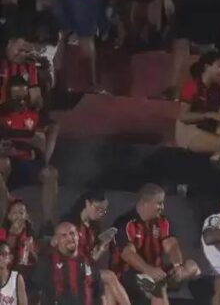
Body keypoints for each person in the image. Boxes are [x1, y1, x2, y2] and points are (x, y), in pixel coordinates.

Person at [110, 184, 200, 305]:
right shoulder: (125, 223)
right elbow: (128, 253)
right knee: (157, 284)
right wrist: (149, 270)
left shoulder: (162, 221)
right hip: (129, 275)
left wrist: (177, 265)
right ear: (144, 203)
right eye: (159, 203)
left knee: (192, 267)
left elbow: (172, 245)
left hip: (156, 272)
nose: (162, 207)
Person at [175, 51, 220, 193]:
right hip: (189, 130)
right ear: (207, 66)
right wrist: (207, 115)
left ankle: (218, 155)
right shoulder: (191, 86)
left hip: (208, 129)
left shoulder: (216, 89)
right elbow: (183, 117)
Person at [0, 76, 59, 225]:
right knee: (3, 163)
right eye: (16, 97)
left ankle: (48, 224)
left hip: (27, 163)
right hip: (8, 166)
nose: (21, 101)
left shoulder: (34, 115)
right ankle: (3, 224)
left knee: (50, 173)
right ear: (8, 96)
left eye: (24, 97)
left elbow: (41, 141)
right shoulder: (1, 115)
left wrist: (28, 146)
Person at [61, 190, 130, 305]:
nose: (101, 213)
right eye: (98, 209)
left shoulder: (94, 227)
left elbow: (90, 259)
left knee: (108, 288)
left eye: (104, 211)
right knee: (110, 276)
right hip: (70, 269)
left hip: (86, 268)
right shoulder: (70, 224)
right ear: (87, 203)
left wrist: (101, 249)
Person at [35, 223, 100, 305]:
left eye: (72, 233)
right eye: (64, 235)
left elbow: (100, 295)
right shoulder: (47, 265)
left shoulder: (88, 263)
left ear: (78, 236)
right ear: (55, 241)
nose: (69, 238)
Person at [2, 200, 35, 274]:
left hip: (26, 272)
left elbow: (35, 259)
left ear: (26, 216)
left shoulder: (30, 233)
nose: (18, 216)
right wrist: (13, 235)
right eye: (14, 213)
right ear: (9, 216)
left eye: (21, 213)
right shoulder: (3, 232)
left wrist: (31, 251)